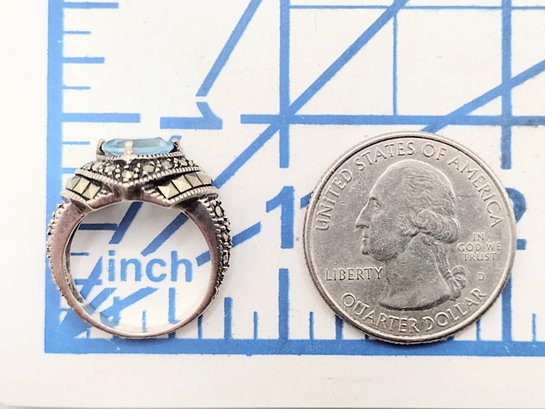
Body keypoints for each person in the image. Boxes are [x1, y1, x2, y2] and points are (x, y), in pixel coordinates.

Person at [355, 159, 466, 310]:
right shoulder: (396, 298)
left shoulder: (423, 297)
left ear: (418, 219)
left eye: (376, 206)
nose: (360, 221)